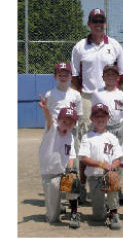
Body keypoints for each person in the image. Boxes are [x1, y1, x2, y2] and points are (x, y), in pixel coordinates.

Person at [71, 8, 123, 203]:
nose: (98, 24)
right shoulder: (79, 47)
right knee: (85, 143)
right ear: (89, 23)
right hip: (87, 97)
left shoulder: (115, 45)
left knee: (114, 143)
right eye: (95, 20)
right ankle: (84, 187)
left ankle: (114, 185)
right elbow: (75, 77)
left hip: (109, 94)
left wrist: (111, 93)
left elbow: (122, 75)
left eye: (101, 20)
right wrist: (84, 98)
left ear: (105, 23)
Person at [78, 103, 123, 230]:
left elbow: (117, 158)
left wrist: (112, 166)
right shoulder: (87, 137)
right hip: (94, 177)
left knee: (112, 176)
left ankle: (114, 213)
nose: (100, 119)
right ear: (91, 118)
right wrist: (101, 164)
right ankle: (104, 207)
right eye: (96, 116)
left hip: (107, 174)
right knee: (98, 217)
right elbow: (84, 158)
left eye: (103, 116)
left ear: (108, 118)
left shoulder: (112, 137)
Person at [38, 96, 80, 229]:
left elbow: (71, 155)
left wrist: (71, 170)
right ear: (58, 121)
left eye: (70, 123)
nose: (67, 125)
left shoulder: (70, 136)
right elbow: (48, 119)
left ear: (74, 125)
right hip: (49, 175)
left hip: (62, 173)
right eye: (64, 122)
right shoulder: (52, 129)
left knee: (73, 179)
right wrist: (46, 109)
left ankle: (74, 213)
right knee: (53, 219)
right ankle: (56, 207)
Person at [91, 64, 123, 204]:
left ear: (118, 77)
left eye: (113, 74)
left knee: (117, 160)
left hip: (118, 129)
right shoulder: (97, 93)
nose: (110, 77)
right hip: (104, 129)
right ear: (103, 77)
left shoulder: (122, 94)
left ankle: (116, 188)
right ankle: (106, 189)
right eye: (107, 74)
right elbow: (93, 113)